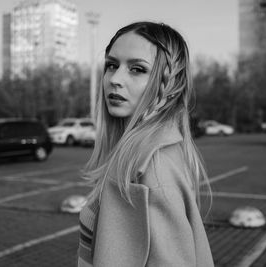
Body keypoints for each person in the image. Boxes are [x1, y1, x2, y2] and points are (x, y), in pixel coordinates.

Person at [78, 21, 213, 267]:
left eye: (137, 69)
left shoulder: (150, 165)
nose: (115, 79)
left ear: (169, 85)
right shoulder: (135, 156)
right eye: (111, 65)